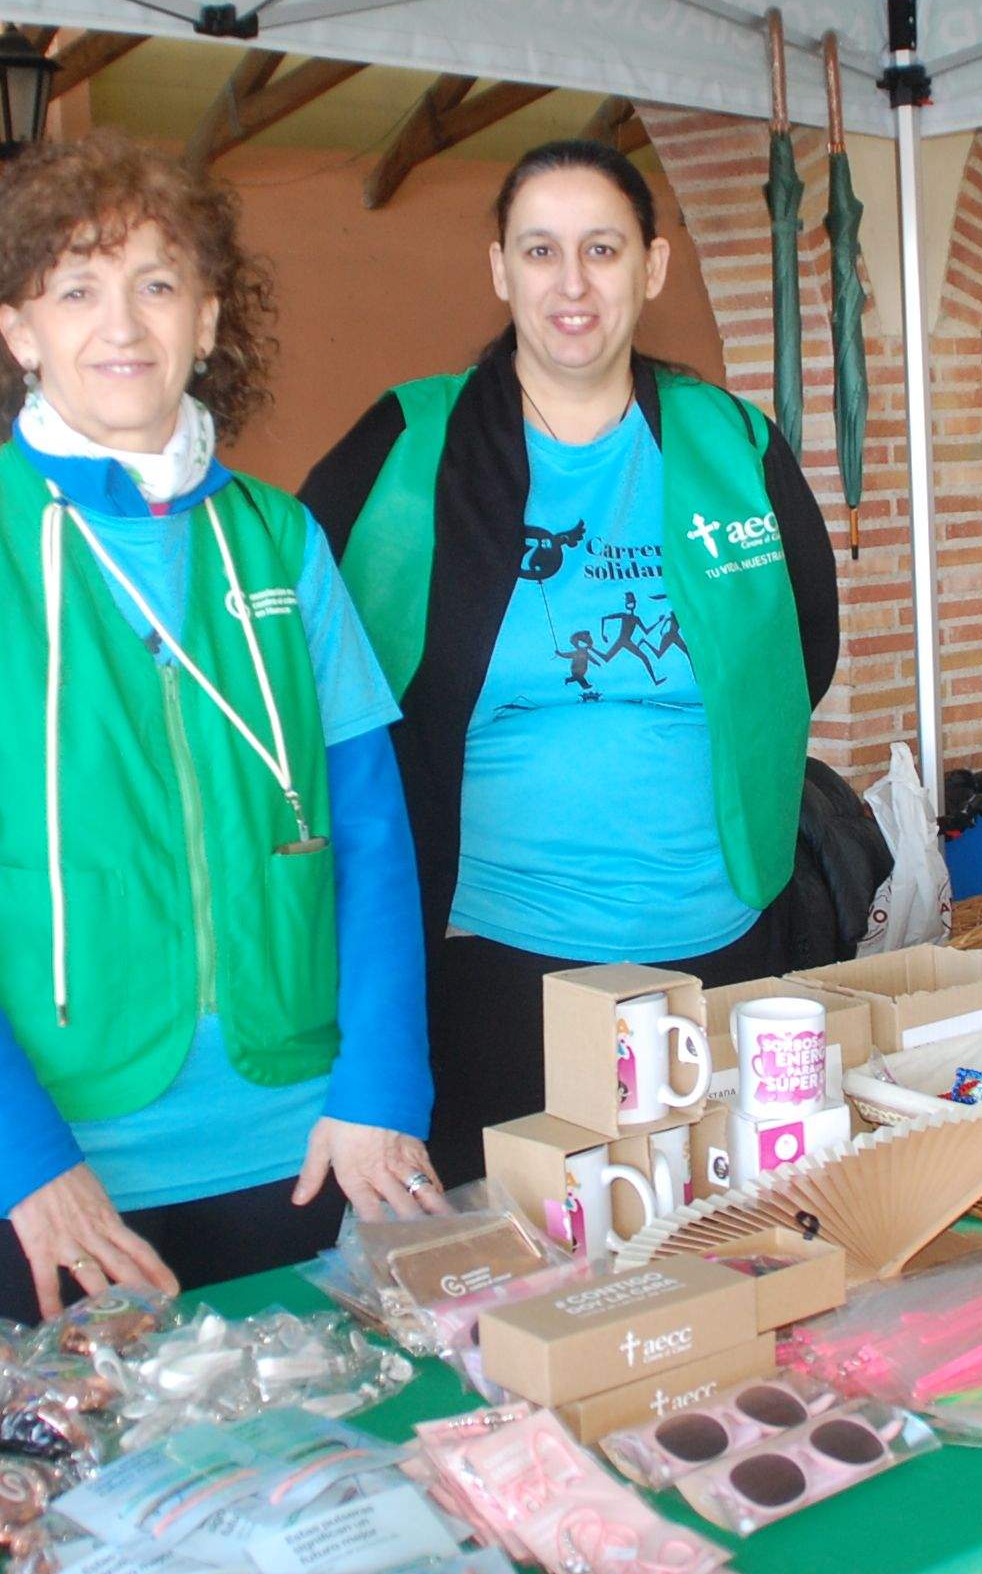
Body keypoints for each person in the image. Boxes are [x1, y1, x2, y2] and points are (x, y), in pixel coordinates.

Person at [0, 130, 442, 1323]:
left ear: (207, 320)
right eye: (76, 288)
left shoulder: (280, 541)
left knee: (312, 1479)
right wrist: (27, 1164)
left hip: (299, 1133)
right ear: (19, 331)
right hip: (47, 1165)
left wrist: (382, 1080)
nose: (121, 324)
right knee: (80, 1502)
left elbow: (369, 830)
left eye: (156, 283)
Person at [302, 139, 839, 1180]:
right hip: (493, 964)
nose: (572, 281)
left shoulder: (732, 442)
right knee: (517, 1274)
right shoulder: (408, 446)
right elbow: (302, 663)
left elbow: (798, 650)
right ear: (499, 269)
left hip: (717, 946)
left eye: (601, 247)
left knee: (709, 1247)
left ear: (652, 267)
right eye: (539, 249)